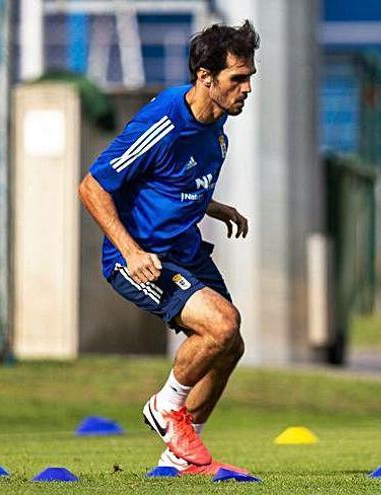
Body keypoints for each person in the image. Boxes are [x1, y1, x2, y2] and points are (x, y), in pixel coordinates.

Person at [79, 21, 259, 475]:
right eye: (238, 78)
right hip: (139, 257)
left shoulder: (216, 130)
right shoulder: (163, 121)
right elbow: (92, 186)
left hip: (186, 250)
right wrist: (132, 251)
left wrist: (215, 208)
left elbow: (172, 184)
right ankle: (164, 408)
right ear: (205, 76)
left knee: (229, 344)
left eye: (250, 77)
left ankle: (180, 453)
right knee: (221, 325)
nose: (247, 88)